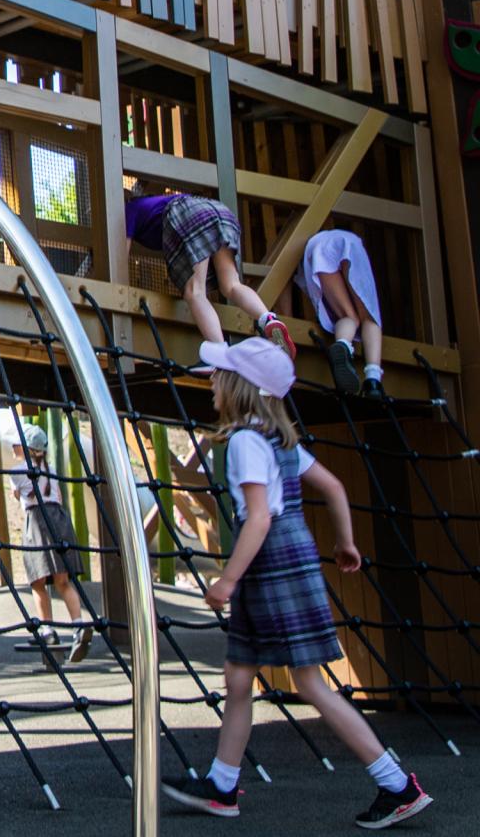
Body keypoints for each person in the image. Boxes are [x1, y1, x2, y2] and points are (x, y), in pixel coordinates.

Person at [161, 339, 431, 826]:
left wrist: (227, 580)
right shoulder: (281, 440)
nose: (212, 383)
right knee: (239, 676)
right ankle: (222, 784)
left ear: (240, 388)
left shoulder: (244, 441)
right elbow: (334, 487)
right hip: (293, 555)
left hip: (270, 563)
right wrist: (345, 542)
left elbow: (259, 519)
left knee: (309, 682)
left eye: (219, 376)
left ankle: (395, 783)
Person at [126, 186, 291, 356]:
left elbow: (119, 258)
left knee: (195, 292)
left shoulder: (127, 210)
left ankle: (218, 351)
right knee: (231, 285)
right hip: (220, 212)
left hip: (191, 215)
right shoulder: (152, 204)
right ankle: (268, 319)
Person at [10, 421, 94, 665]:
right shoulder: (51, 469)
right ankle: (78, 625)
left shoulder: (17, 471)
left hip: (37, 522)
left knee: (37, 581)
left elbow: (18, 495)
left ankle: (47, 630)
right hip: (60, 520)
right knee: (62, 580)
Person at [301, 228, 388, 399]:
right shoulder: (352, 239)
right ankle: (373, 380)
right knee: (369, 316)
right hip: (347, 242)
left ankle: (343, 344)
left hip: (315, 248)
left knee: (347, 316)